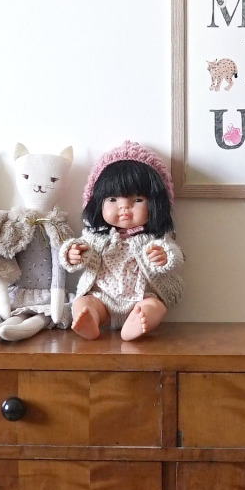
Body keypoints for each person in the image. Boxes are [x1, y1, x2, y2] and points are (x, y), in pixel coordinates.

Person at [60, 141, 183, 341]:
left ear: (155, 203)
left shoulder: (154, 238)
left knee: (156, 307)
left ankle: (138, 321)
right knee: (82, 302)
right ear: (97, 202)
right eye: (112, 199)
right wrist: (73, 253)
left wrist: (164, 257)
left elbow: (175, 255)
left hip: (141, 299)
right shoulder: (95, 237)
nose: (124, 207)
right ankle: (90, 318)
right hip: (102, 299)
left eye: (137, 200)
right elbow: (79, 249)